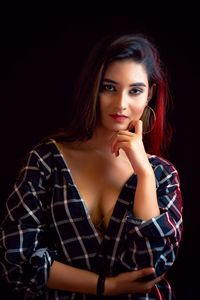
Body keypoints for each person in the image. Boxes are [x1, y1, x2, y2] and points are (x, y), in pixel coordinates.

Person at [0, 33, 183, 299]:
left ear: (150, 94)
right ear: (93, 88)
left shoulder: (162, 175)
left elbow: (151, 269)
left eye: (135, 90)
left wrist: (144, 175)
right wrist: (106, 286)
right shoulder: (46, 160)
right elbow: (16, 260)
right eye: (109, 87)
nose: (121, 103)